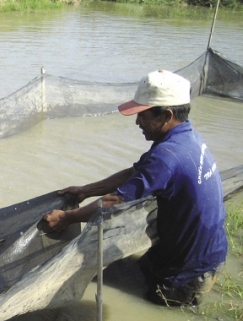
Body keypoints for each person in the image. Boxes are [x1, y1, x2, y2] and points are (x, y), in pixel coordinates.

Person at [42, 69, 228, 307]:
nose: (138, 121)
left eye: (143, 114)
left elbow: (115, 202)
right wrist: (86, 190)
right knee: (135, 273)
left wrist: (68, 217)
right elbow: (135, 173)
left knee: (154, 305)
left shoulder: (167, 156)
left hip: (189, 273)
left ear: (167, 115)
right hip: (206, 251)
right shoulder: (186, 138)